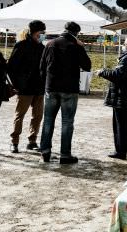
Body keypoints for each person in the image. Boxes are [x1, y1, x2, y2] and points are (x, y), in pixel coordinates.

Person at [39, 22, 92, 164]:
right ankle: (65, 154)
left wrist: (46, 85)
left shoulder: (50, 44)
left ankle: (45, 151)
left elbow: (42, 66)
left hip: (51, 87)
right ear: (76, 33)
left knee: (48, 120)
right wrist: (82, 47)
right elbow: (87, 65)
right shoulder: (76, 46)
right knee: (67, 122)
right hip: (69, 88)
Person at [7, 20, 46, 153]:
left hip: (39, 88)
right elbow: (11, 67)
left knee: (38, 116)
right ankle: (14, 141)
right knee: (20, 115)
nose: (43, 35)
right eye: (41, 32)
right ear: (35, 32)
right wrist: (17, 84)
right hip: (25, 88)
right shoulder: (21, 45)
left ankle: (32, 141)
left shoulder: (42, 48)